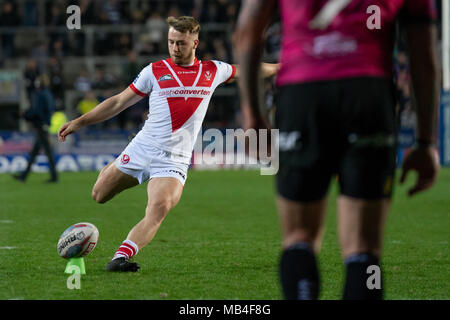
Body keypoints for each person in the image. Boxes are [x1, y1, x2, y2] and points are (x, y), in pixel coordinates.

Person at [233, 0, 440, 299]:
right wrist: (426, 141)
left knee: (298, 239)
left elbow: (248, 27)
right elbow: (423, 53)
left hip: (303, 94)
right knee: (364, 249)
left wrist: (253, 114)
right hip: (368, 93)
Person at [58, 16, 279, 272]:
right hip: (142, 147)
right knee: (99, 195)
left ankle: (120, 258)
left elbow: (250, 70)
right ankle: (117, 166)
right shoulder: (154, 71)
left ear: (195, 42)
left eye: (181, 43)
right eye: (171, 42)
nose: (175, 48)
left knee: (158, 208)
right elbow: (119, 102)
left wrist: (280, 67)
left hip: (173, 160)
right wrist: (79, 122)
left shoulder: (213, 70)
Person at [14, 74, 58, 183]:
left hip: (41, 126)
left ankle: (54, 177)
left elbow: (37, 111)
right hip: (44, 125)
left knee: (47, 152)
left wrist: (24, 115)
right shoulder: (48, 94)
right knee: (35, 153)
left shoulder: (40, 94)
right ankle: (24, 176)